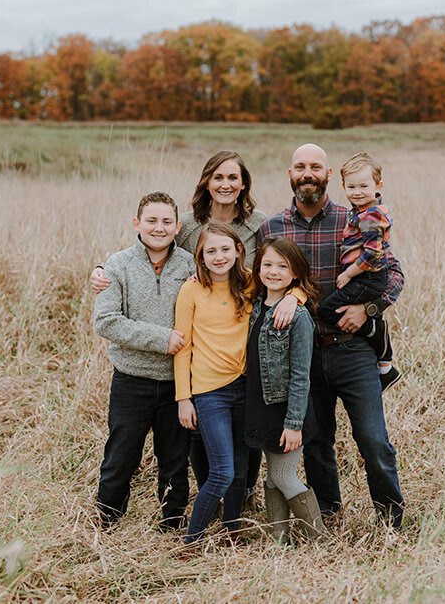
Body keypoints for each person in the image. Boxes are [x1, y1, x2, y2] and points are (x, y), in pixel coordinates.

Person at [90, 150, 267, 504]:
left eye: (233, 177)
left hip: (208, 365)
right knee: (135, 451)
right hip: (154, 371)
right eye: (218, 177)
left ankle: (206, 509)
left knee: (191, 453)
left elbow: (269, 268)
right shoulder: (142, 252)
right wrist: (101, 270)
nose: (160, 228)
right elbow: (110, 312)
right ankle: (110, 519)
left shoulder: (248, 230)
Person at [258, 143, 405, 528]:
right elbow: (253, 284)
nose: (308, 173)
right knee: (317, 440)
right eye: (300, 166)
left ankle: (392, 521)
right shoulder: (272, 228)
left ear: (328, 175)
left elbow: (394, 275)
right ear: (290, 174)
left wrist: (368, 310)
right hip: (300, 356)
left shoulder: (352, 218)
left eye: (316, 167)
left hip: (351, 349)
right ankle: (329, 513)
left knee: (373, 439)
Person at [173, 223, 302, 544]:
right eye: (211, 251)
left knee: (241, 471)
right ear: (200, 255)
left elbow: (290, 282)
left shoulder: (248, 282)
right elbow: (182, 345)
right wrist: (183, 398)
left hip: (247, 390)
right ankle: (192, 541)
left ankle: (232, 530)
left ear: (238, 251)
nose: (219, 256)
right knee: (222, 472)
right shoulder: (191, 289)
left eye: (225, 249)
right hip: (208, 393)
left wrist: (294, 297)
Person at [93, 192, 194, 530]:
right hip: (131, 380)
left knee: (175, 460)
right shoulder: (117, 264)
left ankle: (172, 522)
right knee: (121, 455)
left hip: (177, 383)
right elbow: (106, 321)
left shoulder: (190, 266)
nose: (159, 227)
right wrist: (161, 339)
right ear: (137, 223)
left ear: (177, 226)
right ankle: (108, 520)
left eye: (167, 221)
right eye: (151, 220)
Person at [245, 237, 325, 542]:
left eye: (283, 266)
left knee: (283, 474)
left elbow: (301, 376)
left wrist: (294, 425)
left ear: (295, 274)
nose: (274, 272)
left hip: (288, 410)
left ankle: (319, 539)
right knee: (271, 474)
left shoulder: (298, 317)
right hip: (262, 404)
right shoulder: (255, 306)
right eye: (267, 264)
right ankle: (278, 540)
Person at [317, 152, 401, 392]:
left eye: (364, 186)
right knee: (331, 307)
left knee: (325, 309)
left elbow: (373, 253)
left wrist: (348, 274)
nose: (357, 191)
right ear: (343, 186)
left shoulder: (371, 214)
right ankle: (383, 361)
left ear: (378, 186)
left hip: (368, 277)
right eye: (351, 186)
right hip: (365, 276)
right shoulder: (359, 211)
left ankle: (374, 329)